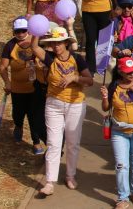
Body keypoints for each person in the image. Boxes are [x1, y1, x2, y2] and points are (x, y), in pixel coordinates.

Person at [29, 26, 92, 196]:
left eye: (59, 43)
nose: (56, 46)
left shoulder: (78, 59)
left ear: (66, 43)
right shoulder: (50, 58)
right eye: (53, 43)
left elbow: (90, 80)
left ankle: (70, 176)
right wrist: (35, 30)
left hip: (75, 104)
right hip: (54, 104)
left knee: (73, 143)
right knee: (53, 143)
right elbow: (34, 48)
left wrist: (75, 78)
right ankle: (50, 181)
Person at [100, 57, 133, 209]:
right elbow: (106, 108)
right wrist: (105, 97)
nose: (132, 75)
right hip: (119, 132)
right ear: (120, 72)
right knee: (121, 165)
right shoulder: (114, 86)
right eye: (129, 72)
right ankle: (122, 197)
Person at [0, 18, 47, 156]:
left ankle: (36, 141)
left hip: (35, 88)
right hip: (17, 89)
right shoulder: (10, 45)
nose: (20, 34)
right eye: (17, 31)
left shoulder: (36, 43)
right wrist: (7, 82)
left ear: (29, 30)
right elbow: (3, 67)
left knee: (34, 116)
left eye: (23, 31)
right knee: (18, 113)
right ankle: (18, 125)